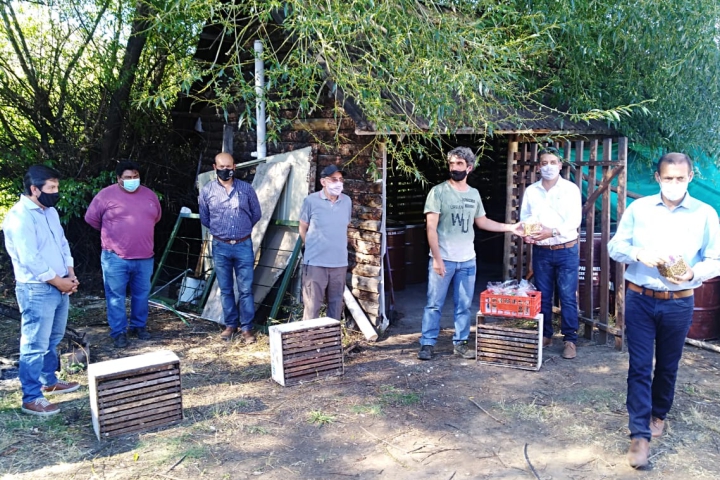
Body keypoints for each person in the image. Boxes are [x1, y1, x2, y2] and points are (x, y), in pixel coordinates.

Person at [608, 152, 720, 468]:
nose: (673, 183)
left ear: (690, 178)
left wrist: (692, 273)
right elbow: (615, 247)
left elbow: (716, 259)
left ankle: (659, 414)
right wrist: (639, 253)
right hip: (640, 297)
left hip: (680, 301)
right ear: (658, 178)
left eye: (680, 178)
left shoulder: (705, 214)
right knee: (640, 366)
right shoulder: (639, 209)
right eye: (667, 178)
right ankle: (639, 435)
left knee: (668, 366)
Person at [418, 147, 525, 360]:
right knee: (434, 304)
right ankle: (427, 344)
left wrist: (510, 227)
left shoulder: (474, 194)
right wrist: (437, 259)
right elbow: (431, 228)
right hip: (444, 259)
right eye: (452, 164)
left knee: (464, 305)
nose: (454, 168)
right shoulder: (438, 192)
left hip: (467, 261)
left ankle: (461, 343)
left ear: (469, 167)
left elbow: (482, 222)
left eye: (459, 164)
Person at [3, 165, 80, 416]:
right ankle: (31, 397)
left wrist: (69, 272)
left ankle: (49, 380)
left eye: (57, 187)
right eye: (52, 188)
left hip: (60, 285)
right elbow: (29, 258)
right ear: (34, 189)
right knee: (34, 343)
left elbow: (62, 242)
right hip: (36, 288)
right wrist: (58, 281)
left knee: (53, 338)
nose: (56, 192)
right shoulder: (19, 216)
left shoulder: (51, 212)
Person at [85, 160, 162, 348]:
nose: (132, 180)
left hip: (144, 256)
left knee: (142, 295)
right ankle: (119, 332)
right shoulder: (105, 195)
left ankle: (139, 326)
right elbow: (92, 219)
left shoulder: (149, 195)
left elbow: (156, 217)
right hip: (115, 257)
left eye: (135, 177)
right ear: (118, 178)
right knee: (115, 296)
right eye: (127, 177)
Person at [520, 146, 582, 359]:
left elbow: (574, 221)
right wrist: (527, 233)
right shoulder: (531, 191)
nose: (548, 167)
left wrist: (551, 232)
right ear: (538, 167)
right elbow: (526, 216)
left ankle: (570, 340)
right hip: (541, 251)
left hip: (566, 249)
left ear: (560, 165)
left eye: (552, 162)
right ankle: (545, 335)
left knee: (567, 296)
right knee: (543, 295)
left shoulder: (570, 189)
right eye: (544, 163)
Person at [199, 152, 262, 342]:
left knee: (245, 289)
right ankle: (230, 325)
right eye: (222, 167)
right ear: (214, 167)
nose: (226, 170)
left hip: (243, 245)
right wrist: (223, 232)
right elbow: (205, 218)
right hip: (221, 246)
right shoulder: (207, 191)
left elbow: (256, 214)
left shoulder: (246, 189)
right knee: (225, 288)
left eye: (229, 167)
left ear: (235, 167)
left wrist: (240, 230)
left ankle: (247, 328)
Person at [299, 165, 352, 320]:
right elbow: (303, 227)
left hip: (339, 264)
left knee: (336, 306)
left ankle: (333, 342)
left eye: (341, 179)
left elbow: (344, 228)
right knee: (312, 306)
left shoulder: (347, 201)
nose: (338, 183)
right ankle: (309, 341)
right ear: (323, 182)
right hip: (316, 263)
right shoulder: (311, 201)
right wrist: (310, 248)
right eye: (334, 179)